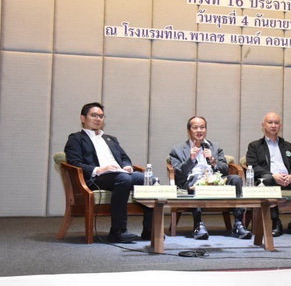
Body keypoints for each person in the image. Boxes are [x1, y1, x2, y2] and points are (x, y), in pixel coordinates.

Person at [64, 102, 153, 243]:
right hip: (97, 178)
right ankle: (118, 231)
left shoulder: (110, 139)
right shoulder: (75, 139)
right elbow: (74, 162)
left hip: (119, 174)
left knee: (150, 180)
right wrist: (100, 169)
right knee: (124, 179)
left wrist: (127, 166)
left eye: (101, 116)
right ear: (83, 118)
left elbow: (124, 158)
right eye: (94, 115)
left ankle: (150, 230)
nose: (98, 119)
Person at [169, 116, 251, 240]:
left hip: (215, 180)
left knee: (236, 179)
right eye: (195, 127)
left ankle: (238, 223)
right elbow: (179, 173)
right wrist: (190, 159)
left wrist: (213, 161)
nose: (199, 130)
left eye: (202, 127)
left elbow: (225, 169)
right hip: (192, 182)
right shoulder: (178, 149)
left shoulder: (214, 147)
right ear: (189, 130)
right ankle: (198, 225)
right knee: (196, 178)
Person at [246, 112, 291, 237]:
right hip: (269, 181)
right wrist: (273, 176)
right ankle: (275, 221)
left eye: (276, 123)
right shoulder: (255, 146)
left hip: (288, 181)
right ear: (263, 125)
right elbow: (253, 165)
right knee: (267, 179)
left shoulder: (288, 146)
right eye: (270, 122)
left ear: (280, 126)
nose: (273, 125)